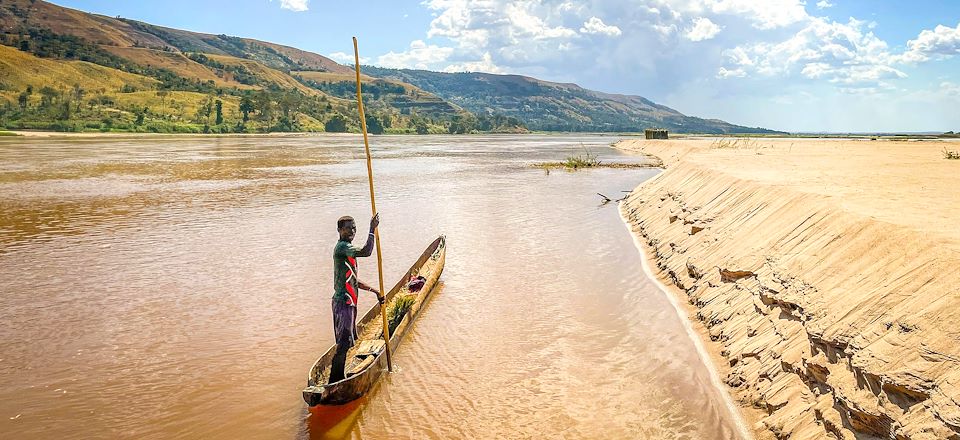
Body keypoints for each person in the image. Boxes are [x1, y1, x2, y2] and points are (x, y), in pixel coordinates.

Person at [329, 213, 383, 384]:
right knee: (343, 344)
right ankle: (335, 381)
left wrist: (374, 290)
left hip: (349, 303)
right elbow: (367, 251)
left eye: (354, 228)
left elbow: (352, 279)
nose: (352, 231)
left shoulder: (348, 251)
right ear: (339, 230)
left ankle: (337, 377)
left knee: (346, 343)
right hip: (343, 303)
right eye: (347, 228)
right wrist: (372, 229)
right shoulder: (343, 247)